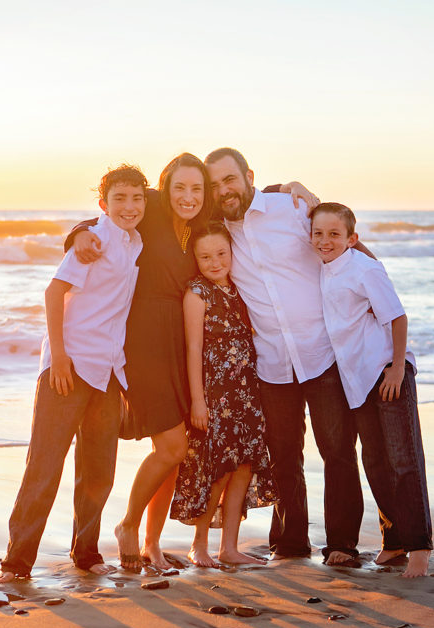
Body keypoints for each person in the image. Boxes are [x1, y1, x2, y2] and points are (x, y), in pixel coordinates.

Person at [66, 155, 316, 571]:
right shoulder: (151, 209)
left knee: (178, 453)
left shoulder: (203, 217)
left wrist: (289, 186)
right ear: (164, 189)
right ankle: (127, 526)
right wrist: (76, 234)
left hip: (182, 344)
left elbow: (246, 195)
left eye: (197, 188)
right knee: (172, 446)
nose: (188, 196)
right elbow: (110, 214)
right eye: (179, 188)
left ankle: (152, 543)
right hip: (145, 342)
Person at [204, 147, 363, 565]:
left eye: (230, 180)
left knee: (338, 450)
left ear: (248, 175)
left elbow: (340, 244)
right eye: (216, 184)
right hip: (271, 361)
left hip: (321, 351)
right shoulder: (217, 229)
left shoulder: (291, 208)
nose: (224, 190)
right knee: (284, 456)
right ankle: (291, 543)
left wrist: (381, 303)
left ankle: (343, 544)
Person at [0, 165, 146, 582]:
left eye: (137, 198)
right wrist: (58, 356)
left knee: (99, 470)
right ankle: (16, 563)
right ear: (103, 204)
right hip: (70, 365)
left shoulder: (136, 243)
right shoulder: (93, 241)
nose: (129, 207)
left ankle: (87, 553)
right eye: (120, 199)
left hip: (109, 370)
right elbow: (54, 292)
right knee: (45, 466)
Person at [310, 202, 433, 577]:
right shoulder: (323, 268)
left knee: (403, 459)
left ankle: (419, 548)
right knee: (376, 461)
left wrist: (397, 369)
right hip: (357, 380)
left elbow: (397, 316)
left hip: (386, 371)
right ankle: (393, 541)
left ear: (352, 238)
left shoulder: (365, 268)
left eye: (334, 234)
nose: (325, 240)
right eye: (318, 233)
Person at [170, 222, 278, 567]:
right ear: (196, 259)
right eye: (206, 257)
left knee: (243, 468)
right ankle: (199, 546)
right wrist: (198, 401)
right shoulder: (196, 293)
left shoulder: (239, 289)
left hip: (247, 393)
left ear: (232, 253)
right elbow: (193, 349)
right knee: (216, 470)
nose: (215, 262)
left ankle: (228, 548)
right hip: (215, 396)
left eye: (221, 254)